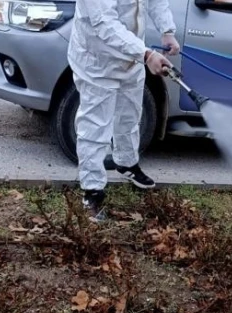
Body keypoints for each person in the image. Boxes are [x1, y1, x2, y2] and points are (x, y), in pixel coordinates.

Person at [67, 0, 180, 220]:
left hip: (132, 59)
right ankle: (92, 191)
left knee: (130, 116)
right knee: (95, 127)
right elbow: (104, 24)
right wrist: (146, 54)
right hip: (97, 61)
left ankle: (127, 163)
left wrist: (167, 30)